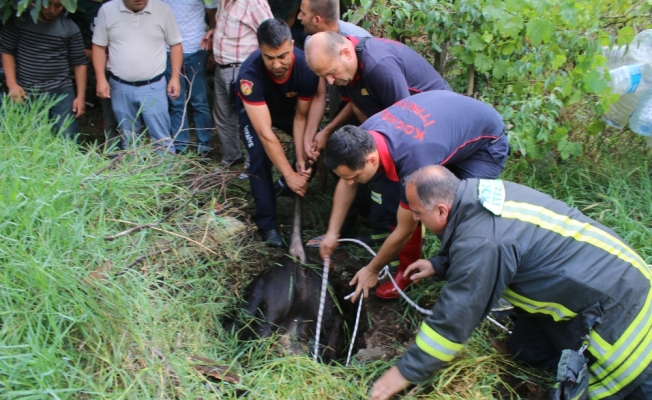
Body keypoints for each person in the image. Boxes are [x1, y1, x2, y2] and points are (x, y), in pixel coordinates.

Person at [370, 164, 652, 400]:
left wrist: (405, 372)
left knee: (613, 387)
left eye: (418, 213)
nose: (415, 219)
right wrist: (439, 263)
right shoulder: (480, 193)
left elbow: (456, 315)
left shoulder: (483, 240)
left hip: (622, 318)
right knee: (524, 347)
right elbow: (494, 243)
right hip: (609, 276)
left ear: (442, 211)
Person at [321, 90, 509, 299]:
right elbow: (347, 185)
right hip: (445, 127)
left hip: (485, 142)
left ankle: (479, 280)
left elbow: (405, 229)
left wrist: (372, 269)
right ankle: (408, 268)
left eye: (354, 176)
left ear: (371, 160)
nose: (349, 182)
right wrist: (332, 232)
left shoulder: (414, 162)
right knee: (395, 196)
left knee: (458, 212)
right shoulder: (363, 136)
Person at [236, 18, 325, 247]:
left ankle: (285, 187)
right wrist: (289, 173)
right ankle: (267, 224)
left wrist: (301, 158)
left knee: (314, 143)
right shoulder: (248, 75)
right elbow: (265, 133)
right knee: (258, 156)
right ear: (260, 50)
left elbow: (301, 118)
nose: (277, 65)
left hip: (287, 109)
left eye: (283, 56)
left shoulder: (306, 68)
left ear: (292, 45)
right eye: (269, 57)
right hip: (255, 110)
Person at [304, 31, 448, 153]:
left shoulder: (379, 66)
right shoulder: (342, 72)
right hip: (395, 115)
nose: (330, 81)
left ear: (346, 53)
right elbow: (356, 104)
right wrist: (328, 131)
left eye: (331, 73)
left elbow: (405, 121)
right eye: (324, 76)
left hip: (434, 118)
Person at [92, 0, 182, 152]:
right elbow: (99, 46)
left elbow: (176, 45)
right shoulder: (107, 10)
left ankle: (166, 172)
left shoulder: (162, 9)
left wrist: (175, 77)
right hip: (120, 86)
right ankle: (134, 173)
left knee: (162, 138)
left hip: (154, 86)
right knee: (129, 139)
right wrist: (101, 78)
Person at [200, 0, 273, 167]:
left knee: (248, 119)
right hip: (222, 67)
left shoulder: (254, 2)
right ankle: (231, 157)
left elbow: (270, 34)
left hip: (243, 69)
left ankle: (253, 162)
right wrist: (214, 31)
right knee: (223, 117)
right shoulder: (223, 2)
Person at [0, 0, 87, 141]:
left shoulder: (69, 28)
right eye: (48, 4)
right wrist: (12, 85)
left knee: (67, 136)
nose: (52, 10)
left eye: (58, 6)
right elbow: (7, 51)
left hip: (61, 90)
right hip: (27, 90)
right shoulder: (19, 21)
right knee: (30, 137)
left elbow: (80, 62)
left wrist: (80, 97)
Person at [162, 0, 216, 155]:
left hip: (196, 49)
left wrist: (212, 50)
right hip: (168, 51)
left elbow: (213, 17)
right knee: (176, 102)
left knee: (200, 102)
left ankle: (204, 146)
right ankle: (180, 146)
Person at [297, 0, 370, 38]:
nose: (298, 17)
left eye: (303, 13)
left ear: (317, 20)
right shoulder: (311, 39)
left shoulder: (359, 42)